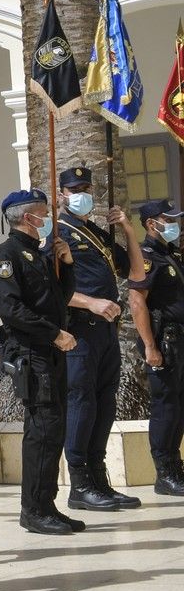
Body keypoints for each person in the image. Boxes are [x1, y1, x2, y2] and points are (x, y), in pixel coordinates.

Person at [0, 189, 82, 535]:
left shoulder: (37, 255)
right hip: (31, 353)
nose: (50, 216)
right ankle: (34, 510)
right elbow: (10, 310)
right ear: (28, 217)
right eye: (45, 211)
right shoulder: (5, 258)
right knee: (42, 430)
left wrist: (67, 265)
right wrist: (53, 334)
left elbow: (59, 298)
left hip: (49, 352)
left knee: (53, 429)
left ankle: (46, 504)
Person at [52, 166, 144, 511]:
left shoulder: (96, 233)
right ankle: (80, 485)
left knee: (104, 404)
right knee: (82, 404)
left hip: (107, 333)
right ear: (61, 194)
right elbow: (48, 289)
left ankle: (100, 480)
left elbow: (135, 272)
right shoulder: (57, 233)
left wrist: (127, 229)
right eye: (74, 188)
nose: (81, 193)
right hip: (80, 333)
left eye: (86, 187)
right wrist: (90, 302)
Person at [126, 200, 184, 496]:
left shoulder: (169, 254)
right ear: (151, 224)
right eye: (168, 219)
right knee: (166, 407)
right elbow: (137, 302)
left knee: (178, 407)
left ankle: (176, 466)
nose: (174, 224)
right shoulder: (146, 256)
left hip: (179, 339)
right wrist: (150, 346)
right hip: (164, 341)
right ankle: (165, 472)